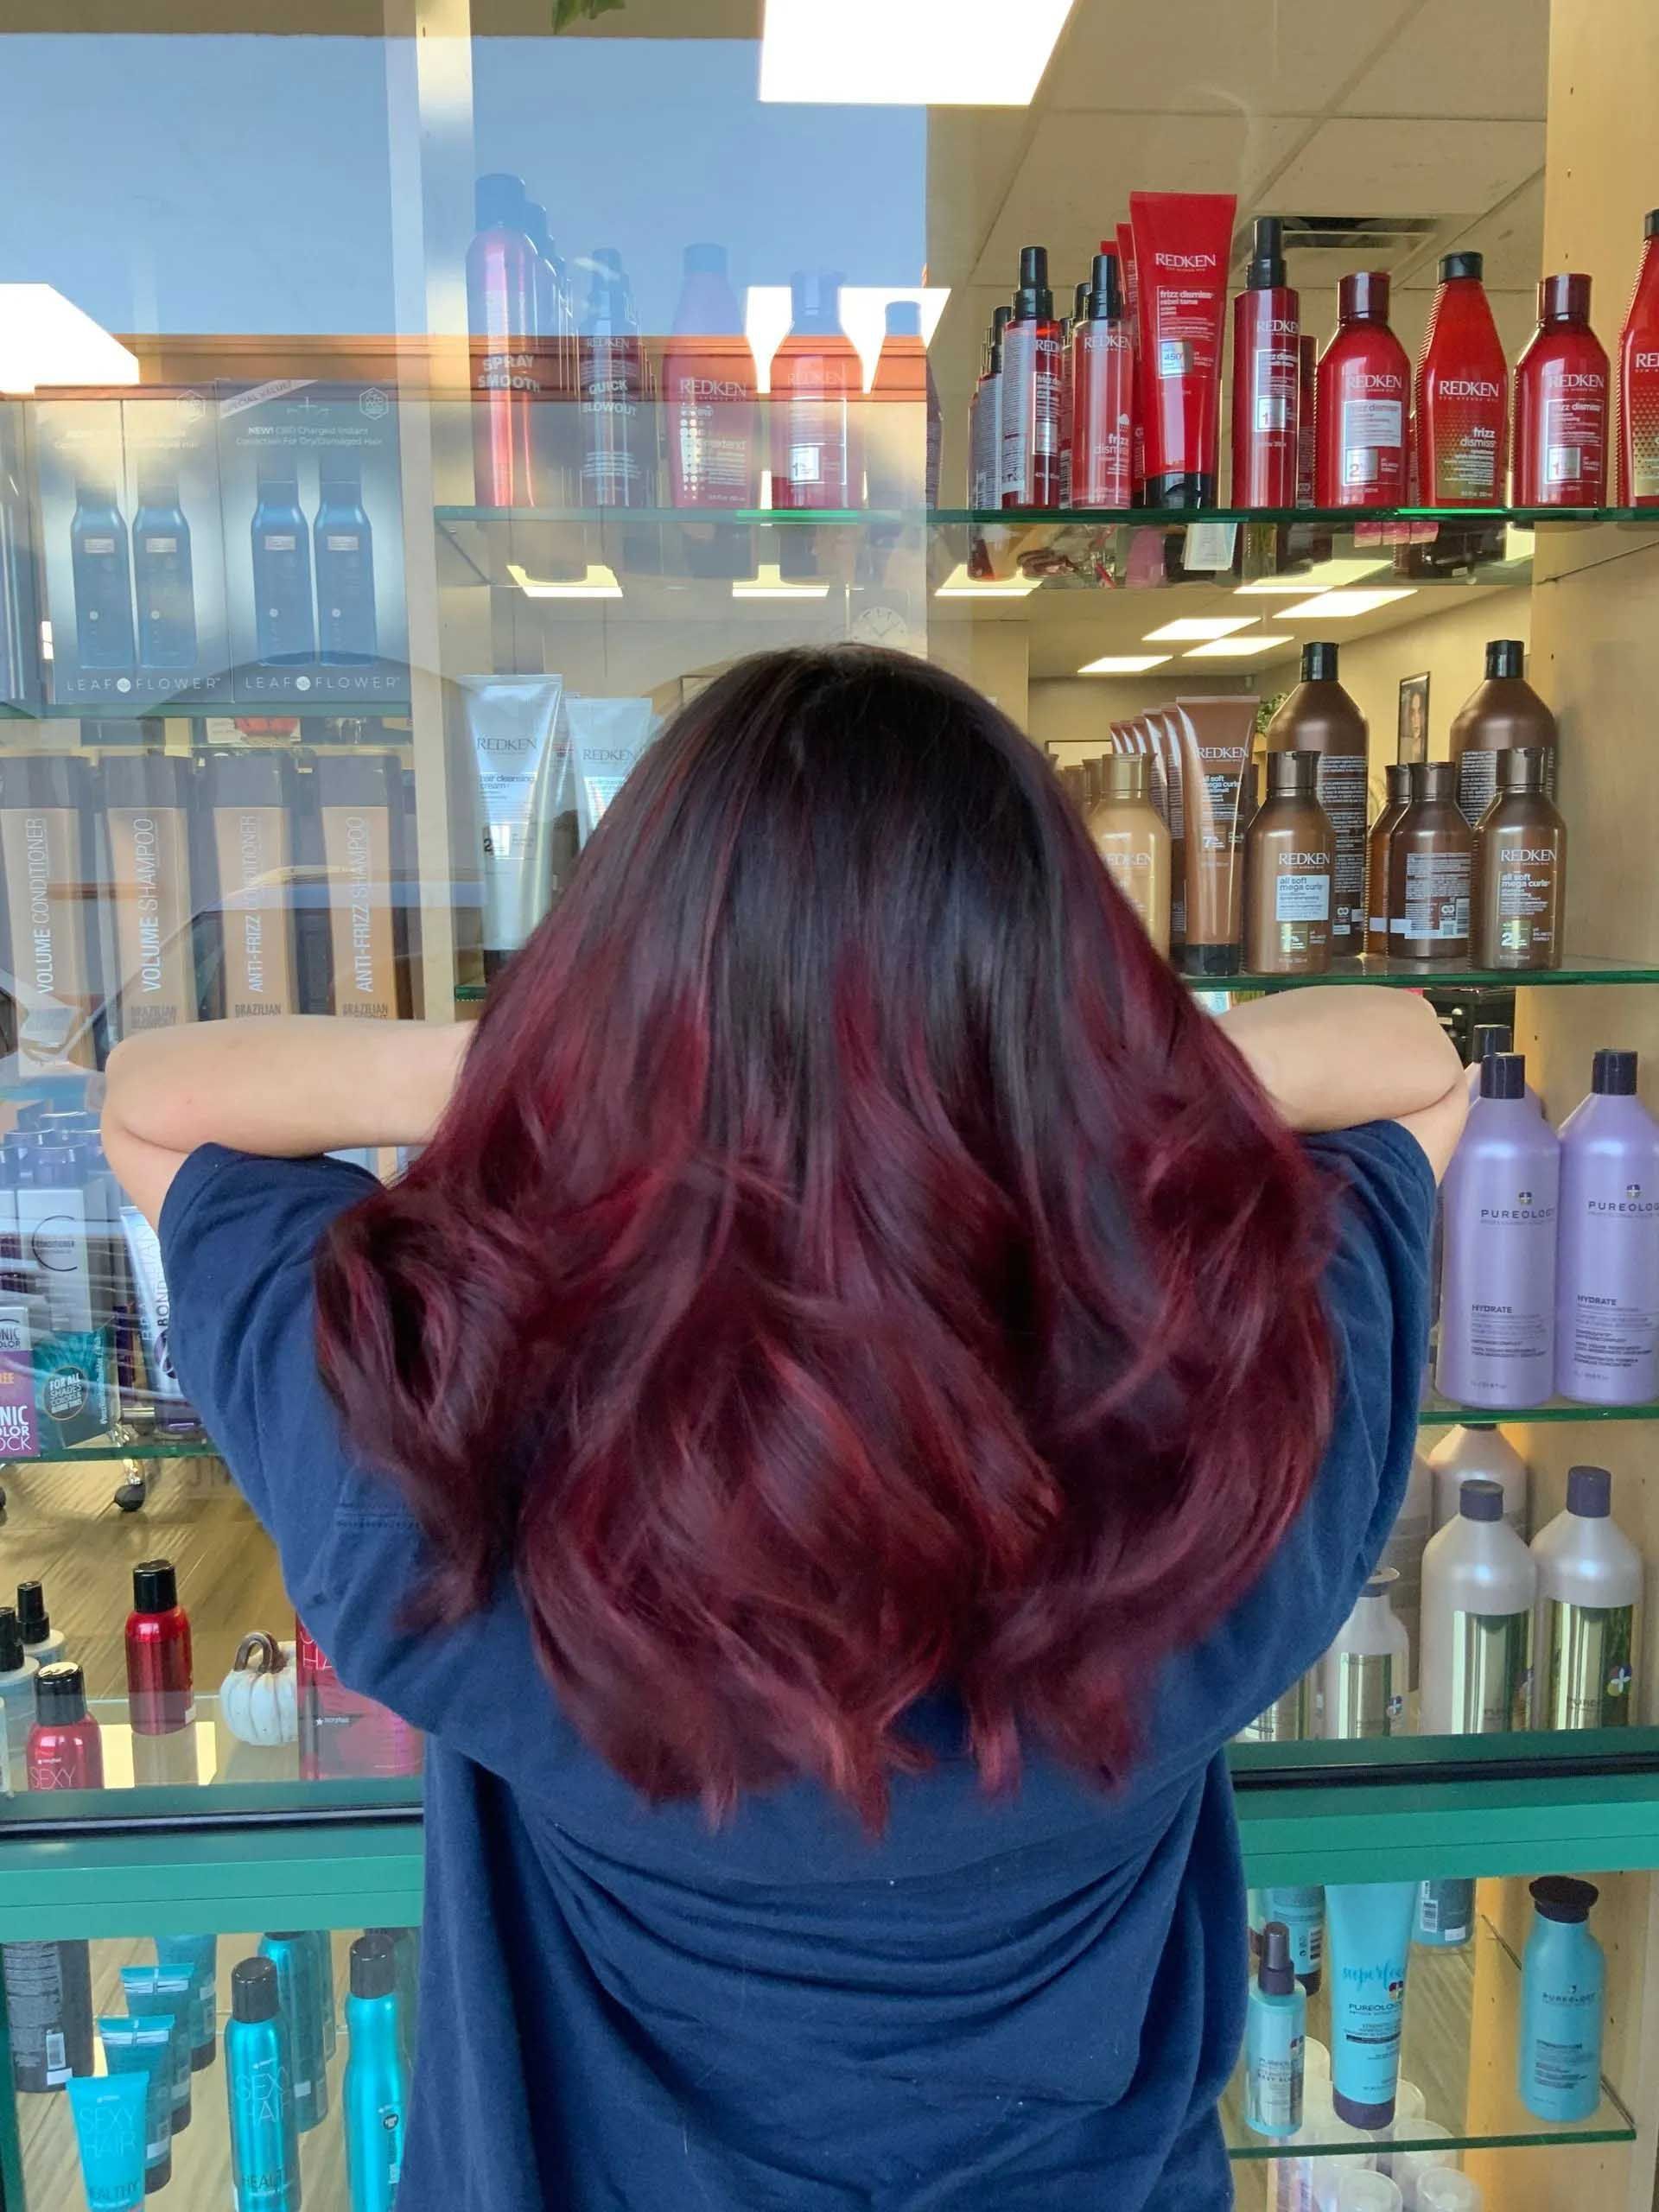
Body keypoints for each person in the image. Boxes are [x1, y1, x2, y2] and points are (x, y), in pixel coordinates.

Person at [103, 647, 1465, 2211]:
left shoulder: (437, 1463)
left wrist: (617, 1070)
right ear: (1068, 979)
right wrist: (1040, 1075)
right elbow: (1416, 1065)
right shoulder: (1240, 1446)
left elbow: (154, 1098)